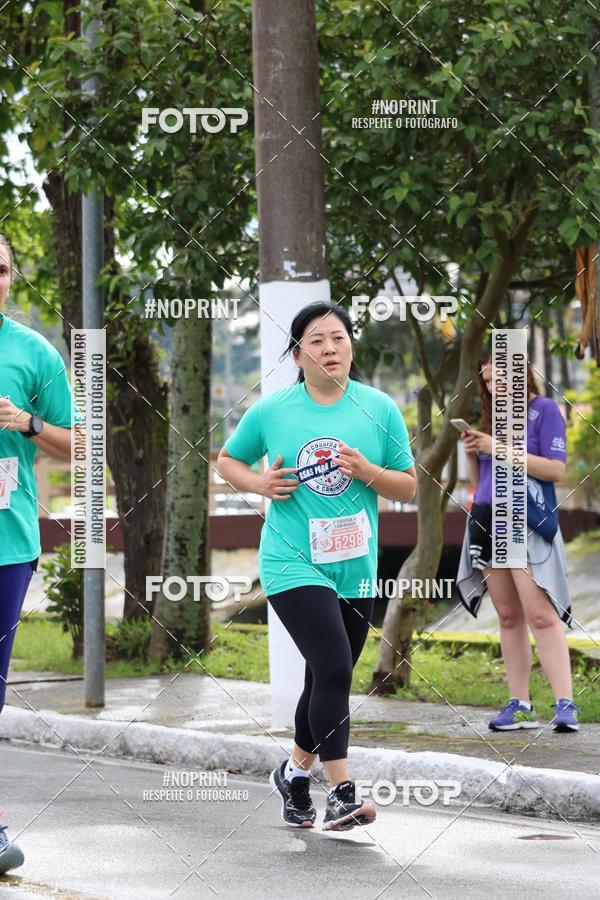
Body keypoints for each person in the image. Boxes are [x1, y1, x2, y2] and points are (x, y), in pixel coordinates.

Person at [217, 301, 416, 830]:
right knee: (333, 669)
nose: (330, 348)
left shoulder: (379, 408)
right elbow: (226, 460)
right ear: (298, 354)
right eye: (316, 341)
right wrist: (258, 483)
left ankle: (294, 773)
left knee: (324, 678)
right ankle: (343, 791)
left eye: (339, 338)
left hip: (355, 564)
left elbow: (407, 483)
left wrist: (369, 470)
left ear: (352, 346)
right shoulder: (272, 410)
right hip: (292, 561)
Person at [0, 234, 75, 873]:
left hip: (8, 542)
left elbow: (80, 446)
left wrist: (25, 423)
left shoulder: (32, 353)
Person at [456, 350, 579, 733]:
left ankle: (565, 704)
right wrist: (475, 453)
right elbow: (482, 481)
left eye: (500, 380)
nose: (494, 388)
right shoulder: (493, 420)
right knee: (508, 617)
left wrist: (498, 448)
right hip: (489, 519)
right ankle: (521, 705)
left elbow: (554, 469)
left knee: (541, 614)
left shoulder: (545, 410)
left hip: (527, 520)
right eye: (488, 382)